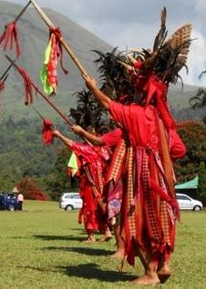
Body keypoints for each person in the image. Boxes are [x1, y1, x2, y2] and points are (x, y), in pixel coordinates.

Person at [83, 73, 186, 284]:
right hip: (163, 178)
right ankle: (165, 264)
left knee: (136, 223)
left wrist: (92, 87)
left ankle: (150, 273)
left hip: (142, 174)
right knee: (162, 220)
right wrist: (161, 153)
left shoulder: (134, 114)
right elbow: (179, 149)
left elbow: (106, 103)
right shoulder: (162, 120)